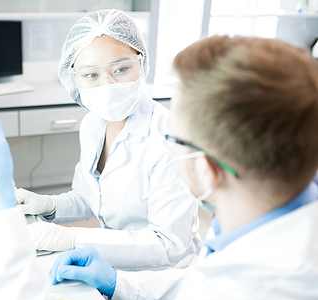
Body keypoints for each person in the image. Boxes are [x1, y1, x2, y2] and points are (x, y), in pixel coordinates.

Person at [0, 34, 318, 300]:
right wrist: (114, 282)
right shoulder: (279, 238)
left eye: (173, 137)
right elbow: (202, 286)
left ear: (206, 169)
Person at [15, 9, 199, 272]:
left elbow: (167, 246)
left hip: (165, 280)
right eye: (91, 75)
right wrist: (49, 205)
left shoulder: (170, 140)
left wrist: (72, 239)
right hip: (114, 264)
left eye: (122, 68)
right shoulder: (92, 125)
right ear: (73, 78)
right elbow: (90, 198)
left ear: (142, 64)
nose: (108, 85)